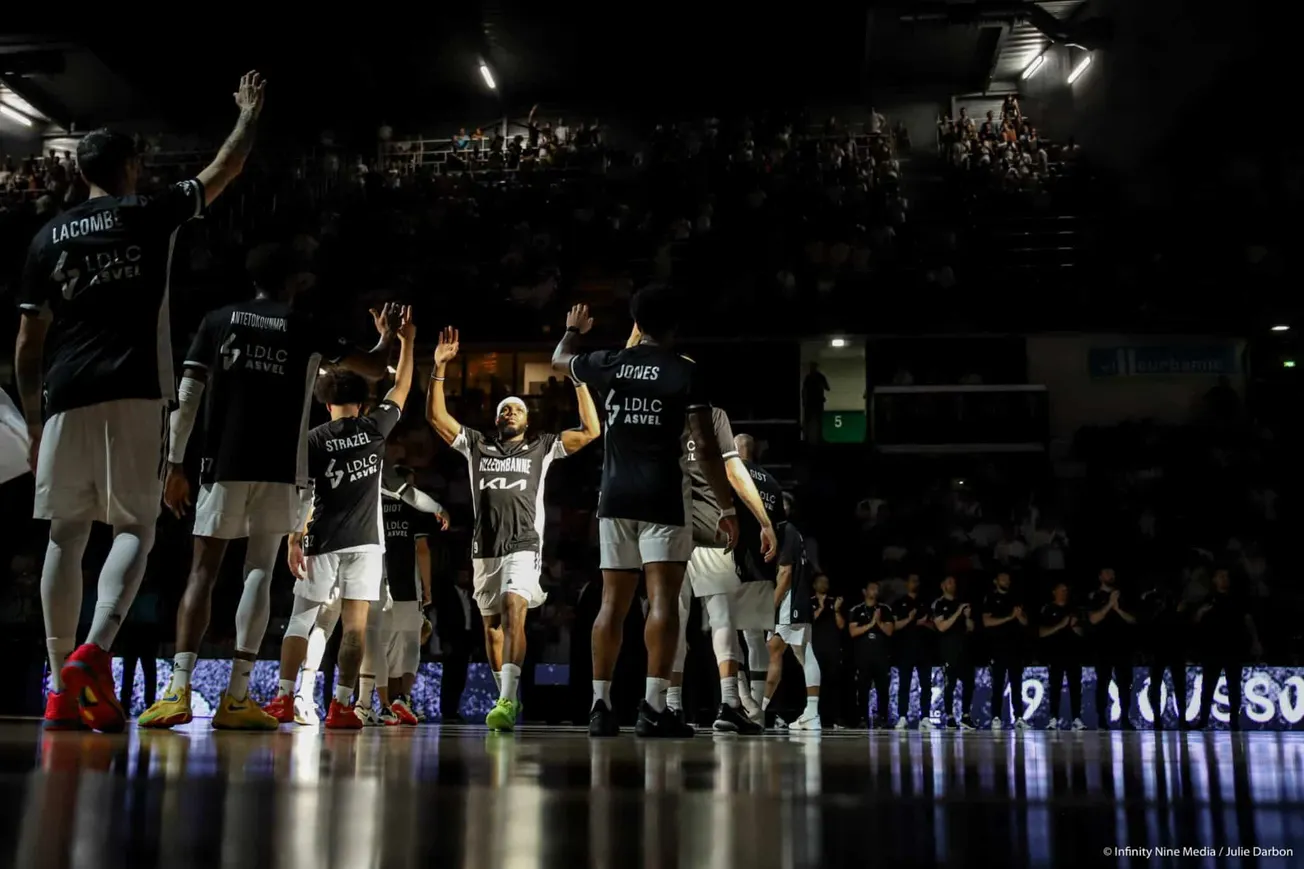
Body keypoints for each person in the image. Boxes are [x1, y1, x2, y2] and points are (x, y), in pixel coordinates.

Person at [15, 72, 266, 732]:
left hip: (64, 394)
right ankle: (94, 652)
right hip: (133, 389)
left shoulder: (46, 240)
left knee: (65, 534)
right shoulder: (151, 212)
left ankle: (58, 683)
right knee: (136, 527)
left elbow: (26, 340)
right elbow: (227, 165)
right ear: (129, 167)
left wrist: (36, 418)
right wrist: (247, 112)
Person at [138, 247, 401, 730]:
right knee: (258, 571)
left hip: (223, 464)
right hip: (283, 469)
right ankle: (237, 695)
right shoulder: (306, 326)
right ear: (295, 282)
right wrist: (387, 338)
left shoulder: (218, 319)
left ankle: (178, 691)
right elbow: (378, 370)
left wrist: (173, 463)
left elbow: (188, 396)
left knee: (203, 572)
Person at [552, 288, 737, 738]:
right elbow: (707, 447)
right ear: (675, 326)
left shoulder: (611, 363)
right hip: (662, 499)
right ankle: (654, 707)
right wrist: (726, 505)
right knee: (663, 602)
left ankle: (600, 705)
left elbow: (560, 360)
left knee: (611, 604)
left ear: (636, 323)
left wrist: (573, 331)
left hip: (614, 498)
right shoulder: (684, 372)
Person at [428, 314, 600, 732]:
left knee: (513, 607)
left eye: (517, 409)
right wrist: (438, 369)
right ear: (497, 419)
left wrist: (577, 377)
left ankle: (505, 700)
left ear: (528, 420)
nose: (509, 412)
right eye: (505, 409)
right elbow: (437, 418)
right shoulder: (477, 445)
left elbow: (592, 431)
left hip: (524, 544)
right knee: (491, 630)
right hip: (484, 547)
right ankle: (508, 695)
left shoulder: (543, 446)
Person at [276, 307, 417, 730]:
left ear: (327, 403)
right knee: (355, 628)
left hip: (322, 539)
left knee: (302, 619)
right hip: (366, 543)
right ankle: (341, 705)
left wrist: (293, 536)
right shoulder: (374, 428)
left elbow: (304, 493)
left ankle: (284, 697)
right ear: (360, 402)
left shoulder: (312, 441)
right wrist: (405, 341)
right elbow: (404, 385)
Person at [666, 406, 776, 734]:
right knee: (725, 621)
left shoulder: (660, 411)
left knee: (675, 619)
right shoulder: (711, 416)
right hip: (710, 531)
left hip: (670, 529)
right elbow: (732, 472)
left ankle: (672, 706)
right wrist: (765, 523)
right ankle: (733, 702)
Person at [731, 432, 787, 721]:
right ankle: (757, 710)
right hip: (764, 566)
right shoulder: (773, 484)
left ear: (736, 449)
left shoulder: (733, 473)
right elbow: (779, 528)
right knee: (755, 638)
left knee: (728, 633)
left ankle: (740, 700)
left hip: (736, 561)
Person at [760, 493, 822, 731]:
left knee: (784, 652)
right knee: (795, 653)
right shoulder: (788, 532)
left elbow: (785, 576)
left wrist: (768, 607)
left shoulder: (785, 532)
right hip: (795, 601)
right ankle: (810, 712)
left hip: (790, 602)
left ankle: (761, 710)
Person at [1192, 567, 1261, 731]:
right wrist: (1201, 613)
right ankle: (1203, 720)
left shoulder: (1238, 599)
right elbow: (1196, 621)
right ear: (1214, 580)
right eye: (1220, 576)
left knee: (1234, 687)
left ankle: (1234, 722)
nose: (1224, 579)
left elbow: (1248, 620)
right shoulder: (1208, 599)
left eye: (1226, 576)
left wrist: (1255, 641)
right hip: (1212, 649)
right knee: (1207, 687)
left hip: (1233, 648)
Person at [1086, 566, 1138, 730]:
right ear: (1100, 576)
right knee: (1103, 682)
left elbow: (1133, 620)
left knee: (1125, 684)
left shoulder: (1123, 596)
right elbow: (1093, 619)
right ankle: (1102, 719)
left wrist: (1118, 609)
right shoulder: (1095, 596)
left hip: (1123, 647)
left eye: (1113, 573)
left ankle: (1125, 718)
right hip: (1102, 646)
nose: (1110, 575)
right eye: (1107, 573)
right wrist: (1109, 604)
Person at [1139, 579, 1190, 730]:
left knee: (1179, 685)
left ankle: (1182, 719)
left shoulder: (1177, 601)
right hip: (1157, 648)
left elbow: (1183, 624)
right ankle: (1156, 719)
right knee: (1156, 685)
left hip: (1175, 647)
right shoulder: (1151, 601)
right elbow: (1146, 623)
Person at [981, 571, 1029, 730]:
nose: (1006, 581)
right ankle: (996, 717)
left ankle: (1019, 717)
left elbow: (1024, 622)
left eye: (1008, 579)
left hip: (1015, 648)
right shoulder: (990, 598)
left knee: (1017, 685)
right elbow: (987, 622)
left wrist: (1019, 616)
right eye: (1002, 579)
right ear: (996, 581)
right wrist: (1009, 617)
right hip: (997, 648)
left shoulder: (1016, 598)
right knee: (998, 684)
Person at [1038, 580, 1087, 731]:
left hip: (1073, 654)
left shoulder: (1074, 609)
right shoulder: (1047, 609)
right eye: (1061, 590)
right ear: (1054, 592)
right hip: (1055, 654)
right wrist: (1061, 624)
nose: (1064, 593)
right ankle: (1053, 718)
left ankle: (1077, 718)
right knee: (1055, 687)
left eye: (1066, 590)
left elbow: (1081, 632)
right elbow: (1042, 632)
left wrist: (1072, 625)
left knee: (1075, 687)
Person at [848, 578, 894, 728]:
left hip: (881, 657)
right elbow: (853, 632)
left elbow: (889, 631)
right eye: (872, 588)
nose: (875, 591)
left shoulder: (885, 609)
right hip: (863, 657)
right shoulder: (856, 610)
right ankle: (862, 718)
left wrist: (879, 622)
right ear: (865, 592)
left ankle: (882, 718)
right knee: (862, 689)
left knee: (883, 689)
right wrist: (871, 624)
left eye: (877, 589)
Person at [932, 576, 976, 729]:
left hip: (964, 650)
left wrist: (968, 617)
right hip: (947, 651)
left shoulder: (962, 603)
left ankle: (965, 715)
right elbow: (942, 626)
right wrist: (958, 612)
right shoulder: (939, 604)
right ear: (943, 585)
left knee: (969, 683)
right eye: (950, 582)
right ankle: (950, 716)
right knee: (949, 684)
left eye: (954, 582)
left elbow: (970, 628)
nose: (953, 584)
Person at [891, 572, 933, 730]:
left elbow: (934, 626)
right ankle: (902, 716)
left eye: (917, 581)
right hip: (905, 649)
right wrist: (910, 619)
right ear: (906, 584)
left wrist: (924, 623)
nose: (915, 583)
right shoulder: (899, 603)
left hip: (924, 650)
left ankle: (926, 717)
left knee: (926, 686)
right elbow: (894, 626)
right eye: (912, 581)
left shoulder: (925, 602)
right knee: (904, 685)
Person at [808, 574, 845, 727]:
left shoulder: (835, 601)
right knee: (815, 683)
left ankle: (834, 719)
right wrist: (821, 608)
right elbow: (810, 621)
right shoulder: (809, 602)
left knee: (833, 683)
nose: (824, 584)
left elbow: (842, 625)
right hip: (815, 648)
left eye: (826, 582)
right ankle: (814, 715)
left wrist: (836, 610)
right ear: (814, 585)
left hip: (832, 648)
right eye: (821, 582)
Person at [801, 362, 829, 444]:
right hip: (816, 401)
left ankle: (808, 438)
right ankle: (816, 438)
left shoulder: (810, 377)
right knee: (816, 420)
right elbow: (827, 387)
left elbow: (804, 390)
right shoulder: (818, 377)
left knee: (810, 420)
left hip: (812, 402)